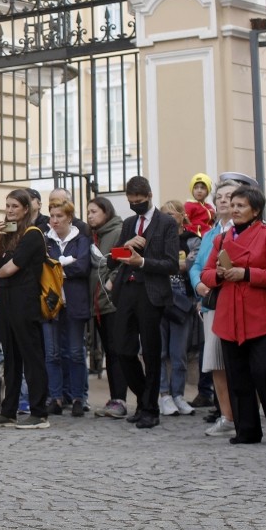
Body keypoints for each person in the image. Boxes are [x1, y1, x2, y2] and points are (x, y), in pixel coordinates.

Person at [203, 187, 266, 445]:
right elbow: (207, 273)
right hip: (229, 317)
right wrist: (219, 274)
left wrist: (247, 274)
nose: (235, 209)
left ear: (255, 210)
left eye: (241, 205)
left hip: (260, 318)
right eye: (233, 205)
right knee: (237, 376)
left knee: (264, 372)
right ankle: (247, 430)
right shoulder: (221, 239)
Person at [108, 177, 180, 429]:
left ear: (149, 196)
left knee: (151, 351)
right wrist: (126, 247)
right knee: (122, 349)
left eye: (138, 202)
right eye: (131, 202)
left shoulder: (167, 223)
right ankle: (143, 397)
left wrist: (142, 262)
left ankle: (150, 408)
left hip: (151, 293)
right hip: (126, 290)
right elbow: (112, 260)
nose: (135, 205)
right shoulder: (128, 224)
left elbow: (172, 263)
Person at [0, 189, 51, 430]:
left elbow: (9, 268)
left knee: (31, 356)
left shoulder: (33, 235)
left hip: (25, 299)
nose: (10, 210)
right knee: (10, 357)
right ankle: (8, 411)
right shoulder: (7, 236)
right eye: (7, 205)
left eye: (14, 206)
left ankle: (39, 412)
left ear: (26, 209)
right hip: (4, 299)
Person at [191, 184, 238, 437]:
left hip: (234, 302)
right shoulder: (209, 234)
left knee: (236, 361)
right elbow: (197, 264)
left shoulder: (243, 231)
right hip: (211, 304)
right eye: (218, 197)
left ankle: (244, 413)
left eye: (228, 197)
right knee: (216, 362)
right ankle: (227, 416)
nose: (222, 201)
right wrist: (198, 283)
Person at [42, 197, 92, 417]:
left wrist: (58, 267)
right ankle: (56, 397)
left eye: (59, 216)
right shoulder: (46, 240)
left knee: (75, 352)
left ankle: (78, 397)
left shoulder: (80, 239)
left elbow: (82, 266)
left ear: (69, 218)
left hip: (75, 302)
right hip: (51, 303)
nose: (54, 220)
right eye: (52, 216)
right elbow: (42, 266)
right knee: (52, 353)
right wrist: (66, 262)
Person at [86, 196, 126, 417]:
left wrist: (112, 281)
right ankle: (114, 398)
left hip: (112, 303)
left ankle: (120, 398)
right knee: (109, 351)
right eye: (88, 212)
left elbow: (121, 262)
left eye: (94, 211)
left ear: (106, 212)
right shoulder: (94, 236)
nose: (90, 215)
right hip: (97, 303)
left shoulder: (118, 232)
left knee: (116, 352)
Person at [156, 199, 196, 417]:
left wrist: (171, 264)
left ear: (182, 216)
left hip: (183, 300)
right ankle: (164, 395)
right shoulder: (156, 238)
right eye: (165, 214)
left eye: (173, 214)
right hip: (160, 298)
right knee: (160, 351)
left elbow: (193, 263)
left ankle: (178, 394)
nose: (169, 218)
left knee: (178, 352)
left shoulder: (192, 240)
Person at [184, 173, 214, 238]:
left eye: (202, 188)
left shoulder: (209, 207)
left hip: (209, 235)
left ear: (207, 191)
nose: (199, 191)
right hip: (195, 236)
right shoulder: (189, 205)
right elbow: (185, 222)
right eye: (196, 188)